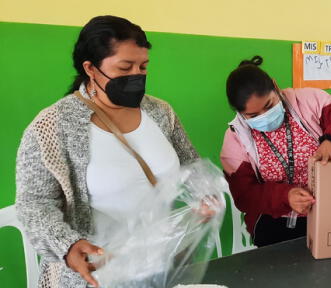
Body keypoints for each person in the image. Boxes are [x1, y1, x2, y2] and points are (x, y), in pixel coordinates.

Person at [15, 15, 200, 287]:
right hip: (97, 276)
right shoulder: (52, 126)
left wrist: (204, 195)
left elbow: (190, 165)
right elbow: (34, 203)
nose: (136, 75)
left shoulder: (160, 112)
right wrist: (67, 245)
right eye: (125, 67)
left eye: (143, 66)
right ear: (91, 68)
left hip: (161, 266)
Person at [220, 56, 331, 247]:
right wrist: (285, 196)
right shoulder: (235, 138)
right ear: (240, 114)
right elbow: (245, 195)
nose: (265, 116)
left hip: (329, 209)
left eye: (269, 105)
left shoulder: (307, 101)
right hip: (273, 224)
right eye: (253, 116)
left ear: (275, 86)